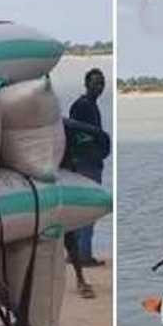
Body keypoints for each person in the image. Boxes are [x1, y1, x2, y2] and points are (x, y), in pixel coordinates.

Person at [61, 118, 111, 299]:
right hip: (49, 180)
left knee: (70, 234)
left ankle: (80, 278)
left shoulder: (63, 129)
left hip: (63, 180)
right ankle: (80, 277)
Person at [68, 68, 108, 267]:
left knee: (82, 211)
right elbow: (74, 132)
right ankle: (83, 255)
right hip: (85, 164)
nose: (99, 87)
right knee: (89, 210)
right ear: (86, 83)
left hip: (89, 162)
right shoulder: (82, 105)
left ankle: (78, 253)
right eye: (95, 82)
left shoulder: (91, 105)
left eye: (101, 83)